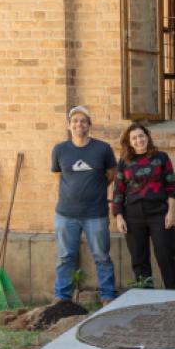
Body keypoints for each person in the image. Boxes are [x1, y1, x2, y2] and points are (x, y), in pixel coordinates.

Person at [51, 106, 118, 305]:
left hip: (95, 214)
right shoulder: (60, 149)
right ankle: (62, 298)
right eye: (75, 121)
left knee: (102, 256)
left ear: (89, 125)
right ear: (69, 125)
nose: (79, 124)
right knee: (65, 257)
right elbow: (58, 175)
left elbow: (111, 174)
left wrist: (94, 188)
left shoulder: (103, 149)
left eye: (83, 121)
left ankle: (107, 295)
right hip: (65, 214)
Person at [113, 123, 175, 290]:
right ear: (129, 142)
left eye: (141, 136)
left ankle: (173, 295)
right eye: (134, 138)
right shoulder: (124, 162)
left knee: (165, 256)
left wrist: (171, 212)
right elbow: (118, 192)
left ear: (147, 137)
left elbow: (171, 186)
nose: (139, 140)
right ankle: (145, 296)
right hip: (133, 215)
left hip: (159, 213)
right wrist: (119, 216)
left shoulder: (161, 158)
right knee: (139, 259)